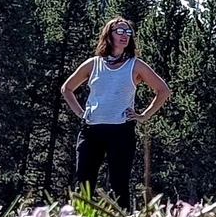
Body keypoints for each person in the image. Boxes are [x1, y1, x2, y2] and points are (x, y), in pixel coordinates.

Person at [60, 17, 170, 206]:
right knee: (83, 184)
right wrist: (80, 113)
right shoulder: (93, 64)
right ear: (108, 35)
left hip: (121, 131)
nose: (124, 36)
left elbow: (163, 90)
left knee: (119, 184)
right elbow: (67, 88)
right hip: (91, 130)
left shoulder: (135, 65)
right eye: (119, 31)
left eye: (128, 32)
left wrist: (144, 115)